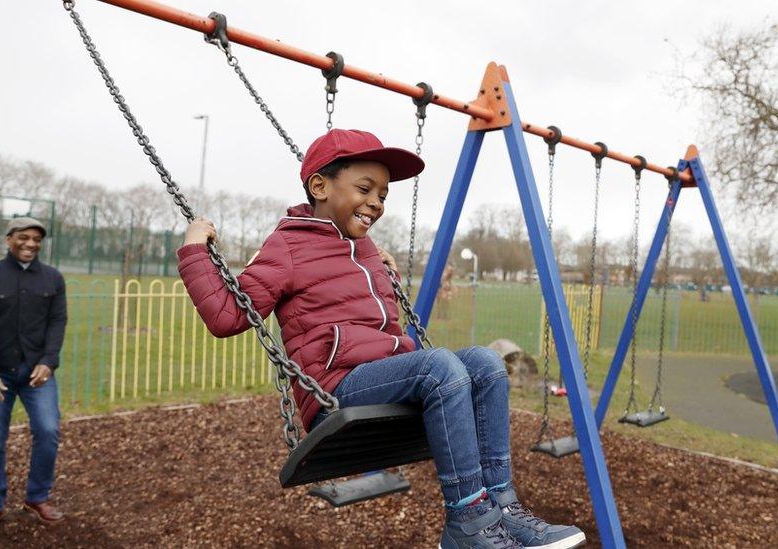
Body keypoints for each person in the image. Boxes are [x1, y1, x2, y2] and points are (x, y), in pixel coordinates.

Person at [177, 129, 585, 549]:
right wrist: (194, 250)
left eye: (384, 195)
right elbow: (227, 316)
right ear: (320, 186)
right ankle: (468, 521)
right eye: (365, 189)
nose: (376, 202)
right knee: (440, 365)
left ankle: (501, 507)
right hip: (336, 386)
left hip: (382, 373)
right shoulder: (288, 246)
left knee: (485, 362)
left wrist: (376, 268)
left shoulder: (365, 248)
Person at [0, 217, 67, 538]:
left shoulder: (53, 278)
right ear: (8, 239)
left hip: (38, 374)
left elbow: (57, 322)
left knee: (48, 430)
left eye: (37, 239)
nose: (31, 244)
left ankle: (36, 498)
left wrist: (49, 362)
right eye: (23, 237)